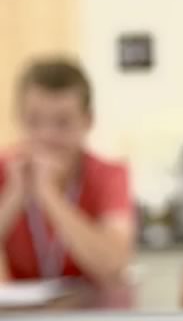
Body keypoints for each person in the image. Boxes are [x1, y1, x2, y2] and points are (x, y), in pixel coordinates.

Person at [0, 58, 134, 284]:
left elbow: (112, 266)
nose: (47, 135)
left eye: (62, 122)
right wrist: (13, 197)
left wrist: (49, 195)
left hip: (90, 314)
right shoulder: (6, 170)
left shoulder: (109, 175)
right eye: (34, 121)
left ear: (87, 121)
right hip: (19, 317)